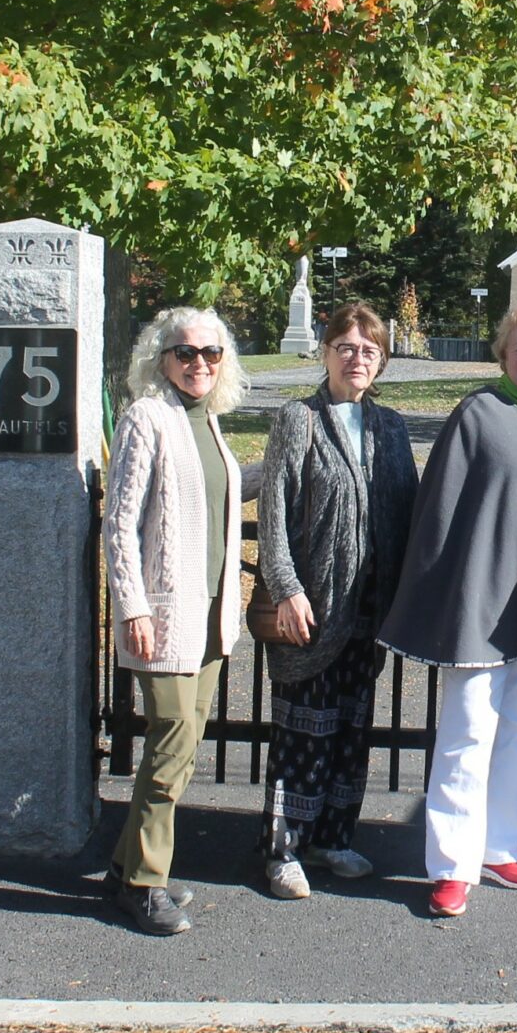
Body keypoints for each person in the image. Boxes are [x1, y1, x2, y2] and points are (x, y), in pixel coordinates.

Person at [378, 297, 517, 918]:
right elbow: (439, 510)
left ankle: (499, 846)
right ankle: (452, 865)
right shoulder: (477, 413)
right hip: (481, 601)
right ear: (503, 354)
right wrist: (441, 598)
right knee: (468, 731)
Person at [256, 302, 418, 900]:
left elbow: (410, 511)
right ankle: (284, 849)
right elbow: (273, 513)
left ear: (382, 361)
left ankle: (333, 838)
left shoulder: (391, 427)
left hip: (370, 609)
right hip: (312, 609)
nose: (357, 359)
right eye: (346, 347)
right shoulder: (298, 419)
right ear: (325, 353)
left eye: (369, 350)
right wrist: (287, 588)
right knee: (303, 730)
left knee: (351, 729)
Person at [103, 307, 247, 935]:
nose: (199, 364)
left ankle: (124, 866)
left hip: (211, 614)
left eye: (211, 353)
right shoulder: (147, 417)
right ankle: (144, 884)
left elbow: (215, 498)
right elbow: (120, 523)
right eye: (185, 352)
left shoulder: (209, 420)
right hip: (164, 614)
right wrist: (133, 605)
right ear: (161, 358)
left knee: (183, 750)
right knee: (172, 742)